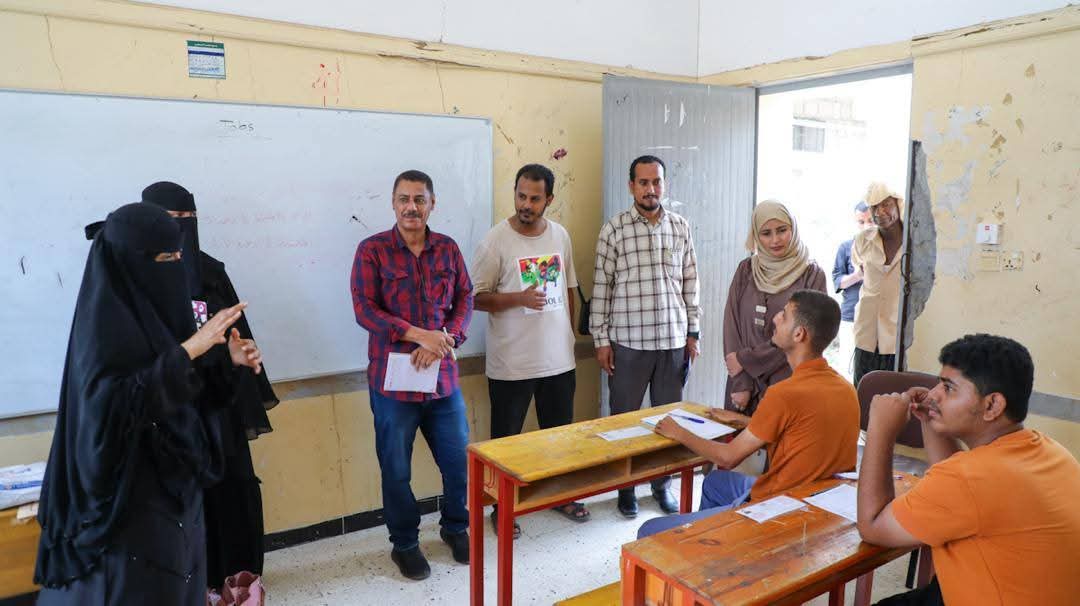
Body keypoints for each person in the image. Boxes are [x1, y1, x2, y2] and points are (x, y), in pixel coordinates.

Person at [34, 203, 264, 605]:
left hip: (178, 502)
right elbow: (110, 409)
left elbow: (186, 393)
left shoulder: (162, 317)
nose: (176, 268)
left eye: (178, 255)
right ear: (131, 264)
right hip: (126, 510)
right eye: (164, 259)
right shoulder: (103, 330)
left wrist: (226, 363)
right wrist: (189, 350)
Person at [857, 334, 1080, 605]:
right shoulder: (1050, 451)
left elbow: (873, 526)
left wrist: (879, 430)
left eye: (948, 388)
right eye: (939, 383)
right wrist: (929, 419)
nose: (934, 394)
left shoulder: (969, 478)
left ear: (992, 405)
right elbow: (959, 490)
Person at [141, 181, 278, 589]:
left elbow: (235, 331)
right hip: (166, 414)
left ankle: (237, 583)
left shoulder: (210, 272)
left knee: (233, 491)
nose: (182, 230)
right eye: (172, 220)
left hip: (218, 404)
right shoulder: (135, 280)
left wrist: (238, 358)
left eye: (190, 219)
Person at [638, 290, 859, 537]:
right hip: (822, 505)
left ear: (799, 334)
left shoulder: (784, 394)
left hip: (780, 512)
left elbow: (728, 458)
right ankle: (708, 548)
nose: (775, 318)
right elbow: (801, 431)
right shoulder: (846, 389)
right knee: (714, 482)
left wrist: (679, 432)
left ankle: (722, 539)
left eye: (784, 315)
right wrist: (744, 421)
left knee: (648, 531)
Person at [350, 169, 473, 581]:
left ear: (432, 204)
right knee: (397, 471)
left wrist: (447, 338)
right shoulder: (372, 250)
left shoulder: (448, 249)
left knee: (458, 464)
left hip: (443, 381)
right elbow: (365, 309)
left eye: (420, 199)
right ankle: (404, 544)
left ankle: (455, 527)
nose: (411, 207)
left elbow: (465, 297)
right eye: (404, 199)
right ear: (393, 203)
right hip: (393, 386)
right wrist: (420, 335)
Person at [472, 164, 587, 538]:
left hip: (558, 360)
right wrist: (518, 298)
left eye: (535, 198)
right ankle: (501, 508)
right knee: (507, 443)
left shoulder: (560, 235)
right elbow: (476, 298)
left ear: (549, 199)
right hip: (512, 364)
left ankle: (561, 496)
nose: (526, 204)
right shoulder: (495, 241)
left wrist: (569, 337)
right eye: (521, 196)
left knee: (559, 436)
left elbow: (568, 288)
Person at [590, 155, 700, 518]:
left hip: (672, 341)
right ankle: (626, 489)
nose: (651, 189)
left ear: (664, 185)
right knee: (624, 422)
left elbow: (690, 282)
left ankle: (661, 486)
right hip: (628, 343)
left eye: (656, 182)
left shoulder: (680, 227)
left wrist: (693, 332)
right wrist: (601, 340)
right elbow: (602, 288)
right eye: (643, 182)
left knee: (669, 422)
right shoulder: (614, 230)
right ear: (631, 186)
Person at [722, 201, 827, 415]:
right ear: (756, 235)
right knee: (736, 435)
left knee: (783, 436)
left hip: (788, 381)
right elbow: (731, 325)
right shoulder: (746, 270)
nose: (775, 240)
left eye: (782, 230)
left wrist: (747, 361)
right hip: (743, 385)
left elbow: (805, 336)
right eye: (766, 233)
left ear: (793, 229)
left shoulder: (811, 274)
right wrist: (741, 381)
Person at [851, 182, 904, 387]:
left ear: (898, 204)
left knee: (894, 392)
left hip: (897, 335)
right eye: (874, 207)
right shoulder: (862, 240)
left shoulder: (914, 241)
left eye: (886, 205)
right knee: (863, 390)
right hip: (867, 331)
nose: (879, 212)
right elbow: (861, 269)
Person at [831, 201, 874, 379]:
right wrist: (857, 275)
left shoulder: (886, 248)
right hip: (851, 317)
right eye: (861, 222)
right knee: (848, 369)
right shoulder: (846, 247)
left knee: (872, 370)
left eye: (871, 220)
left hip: (877, 319)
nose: (867, 226)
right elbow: (837, 281)